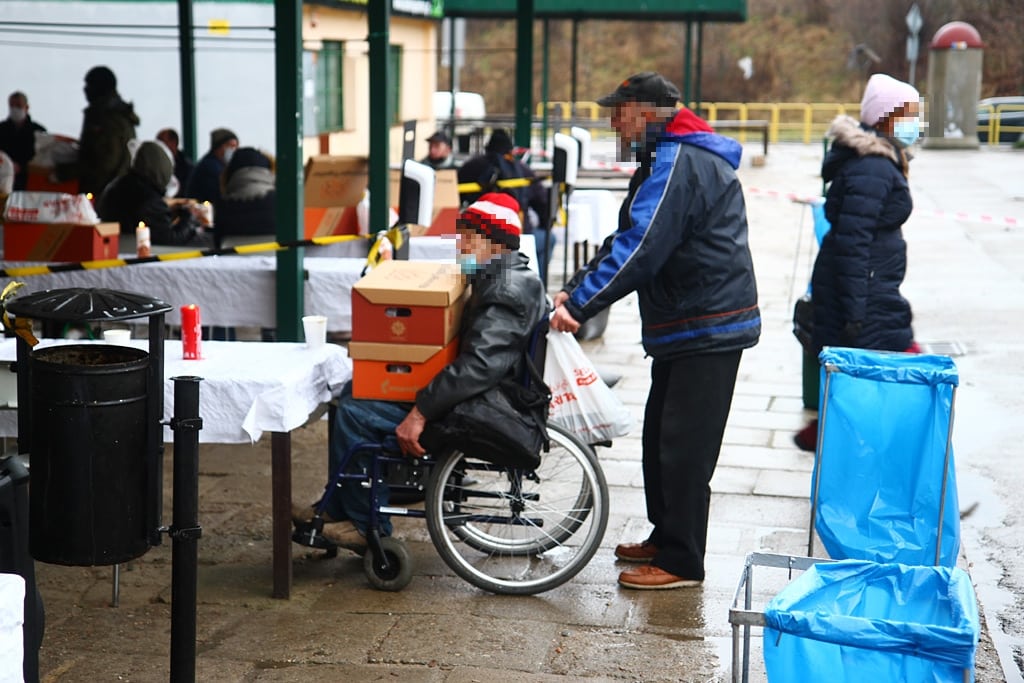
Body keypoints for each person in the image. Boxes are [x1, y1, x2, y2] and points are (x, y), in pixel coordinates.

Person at [549, 71, 760, 590]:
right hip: (687, 325)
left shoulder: (679, 162)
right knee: (659, 438)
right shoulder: (667, 158)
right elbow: (625, 237)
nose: (613, 124)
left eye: (618, 113)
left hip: (707, 325)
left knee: (684, 448)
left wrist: (580, 304)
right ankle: (667, 535)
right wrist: (574, 288)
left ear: (647, 112)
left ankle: (683, 561)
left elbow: (641, 247)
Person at [293, 192, 548, 550]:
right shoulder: (504, 276)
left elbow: (478, 367)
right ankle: (338, 505)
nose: (458, 247)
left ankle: (366, 526)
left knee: (354, 412)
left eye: (465, 238)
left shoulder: (505, 290)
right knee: (354, 391)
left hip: (481, 405)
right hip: (481, 393)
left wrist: (420, 411)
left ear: (488, 241)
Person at [792, 73, 921, 452]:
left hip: (868, 295)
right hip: (865, 300)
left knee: (875, 392)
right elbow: (852, 242)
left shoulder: (877, 162)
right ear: (886, 118)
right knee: (896, 391)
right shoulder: (873, 168)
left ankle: (830, 437)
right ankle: (901, 481)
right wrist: (854, 315)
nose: (916, 123)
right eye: (910, 114)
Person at [458, 129, 554, 284]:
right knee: (550, 238)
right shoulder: (523, 171)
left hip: (476, 239)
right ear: (510, 150)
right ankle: (538, 282)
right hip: (517, 238)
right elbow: (544, 206)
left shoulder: (470, 167)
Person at [97, 140, 212, 247]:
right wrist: (188, 216)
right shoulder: (148, 198)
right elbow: (170, 239)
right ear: (162, 170)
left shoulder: (116, 185)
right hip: (143, 251)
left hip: (116, 247)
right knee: (209, 241)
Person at [69, 66, 140, 196]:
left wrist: (65, 172)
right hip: (115, 192)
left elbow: (105, 162)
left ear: (99, 87)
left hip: (103, 194)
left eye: (89, 85)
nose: (85, 90)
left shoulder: (107, 118)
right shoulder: (120, 114)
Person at [213, 146, 275, 245]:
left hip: (232, 259)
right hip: (276, 258)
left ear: (227, 175)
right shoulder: (283, 203)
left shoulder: (222, 206)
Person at [0, 91, 47, 191]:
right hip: (3, 182)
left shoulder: (38, 132)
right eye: (12, 105)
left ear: (26, 107)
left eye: (18, 105)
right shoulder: (2, 129)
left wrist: (22, 167)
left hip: (30, 184)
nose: (14, 109)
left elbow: (43, 158)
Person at [185, 127, 238, 204]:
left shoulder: (213, 164)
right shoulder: (211, 167)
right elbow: (221, 196)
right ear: (220, 147)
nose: (234, 150)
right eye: (232, 146)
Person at [156, 128, 194, 198]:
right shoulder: (154, 167)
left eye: (161, 142)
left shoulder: (187, 168)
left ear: (174, 143)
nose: (157, 146)